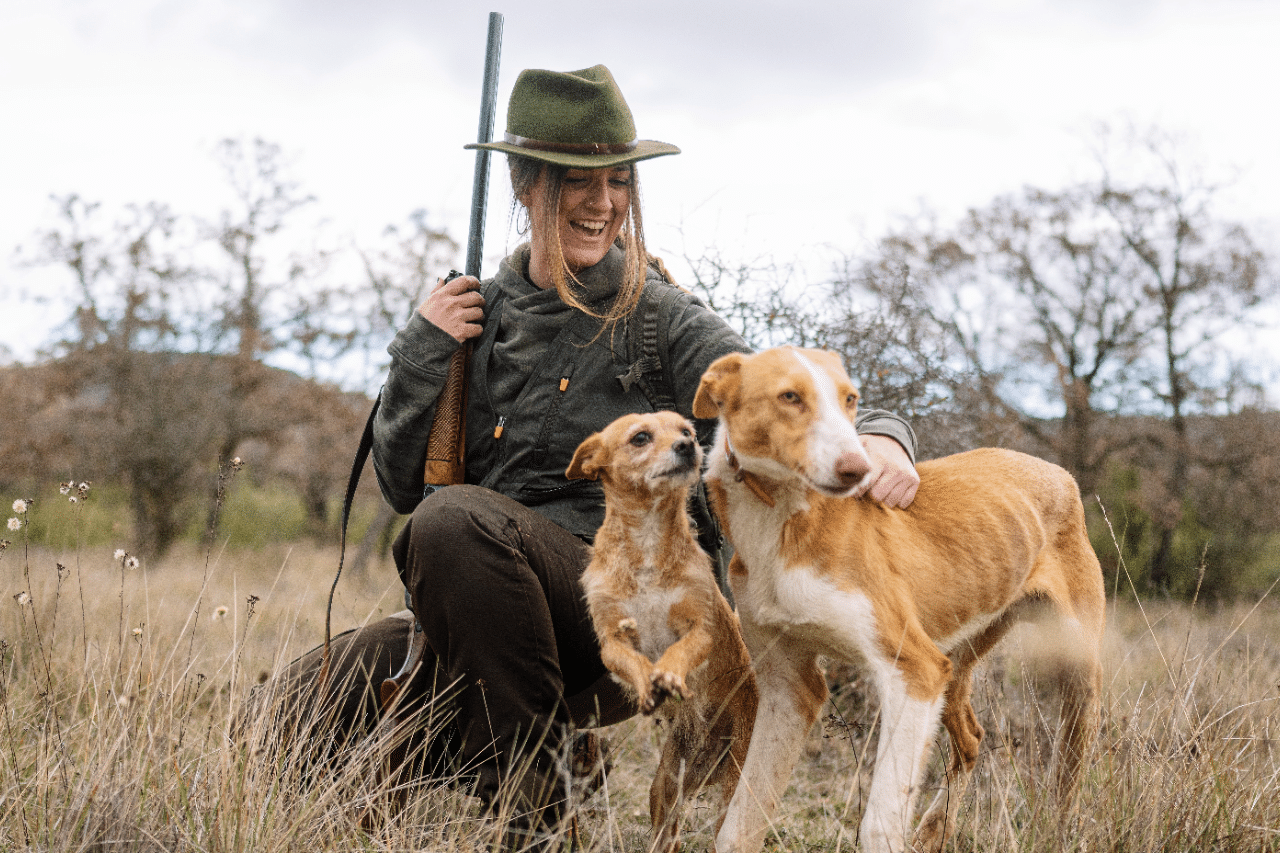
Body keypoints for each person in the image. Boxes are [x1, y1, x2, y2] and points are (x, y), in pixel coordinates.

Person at [268, 64, 920, 849]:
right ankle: (521, 744)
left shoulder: (656, 314)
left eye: (618, 180)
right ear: (525, 185)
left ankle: (541, 820)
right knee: (292, 710)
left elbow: (775, 388)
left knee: (454, 526)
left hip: (625, 607)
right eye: (577, 178)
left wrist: (879, 433)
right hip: (490, 609)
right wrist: (423, 348)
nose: (603, 202)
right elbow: (405, 483)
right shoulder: (478, 313)